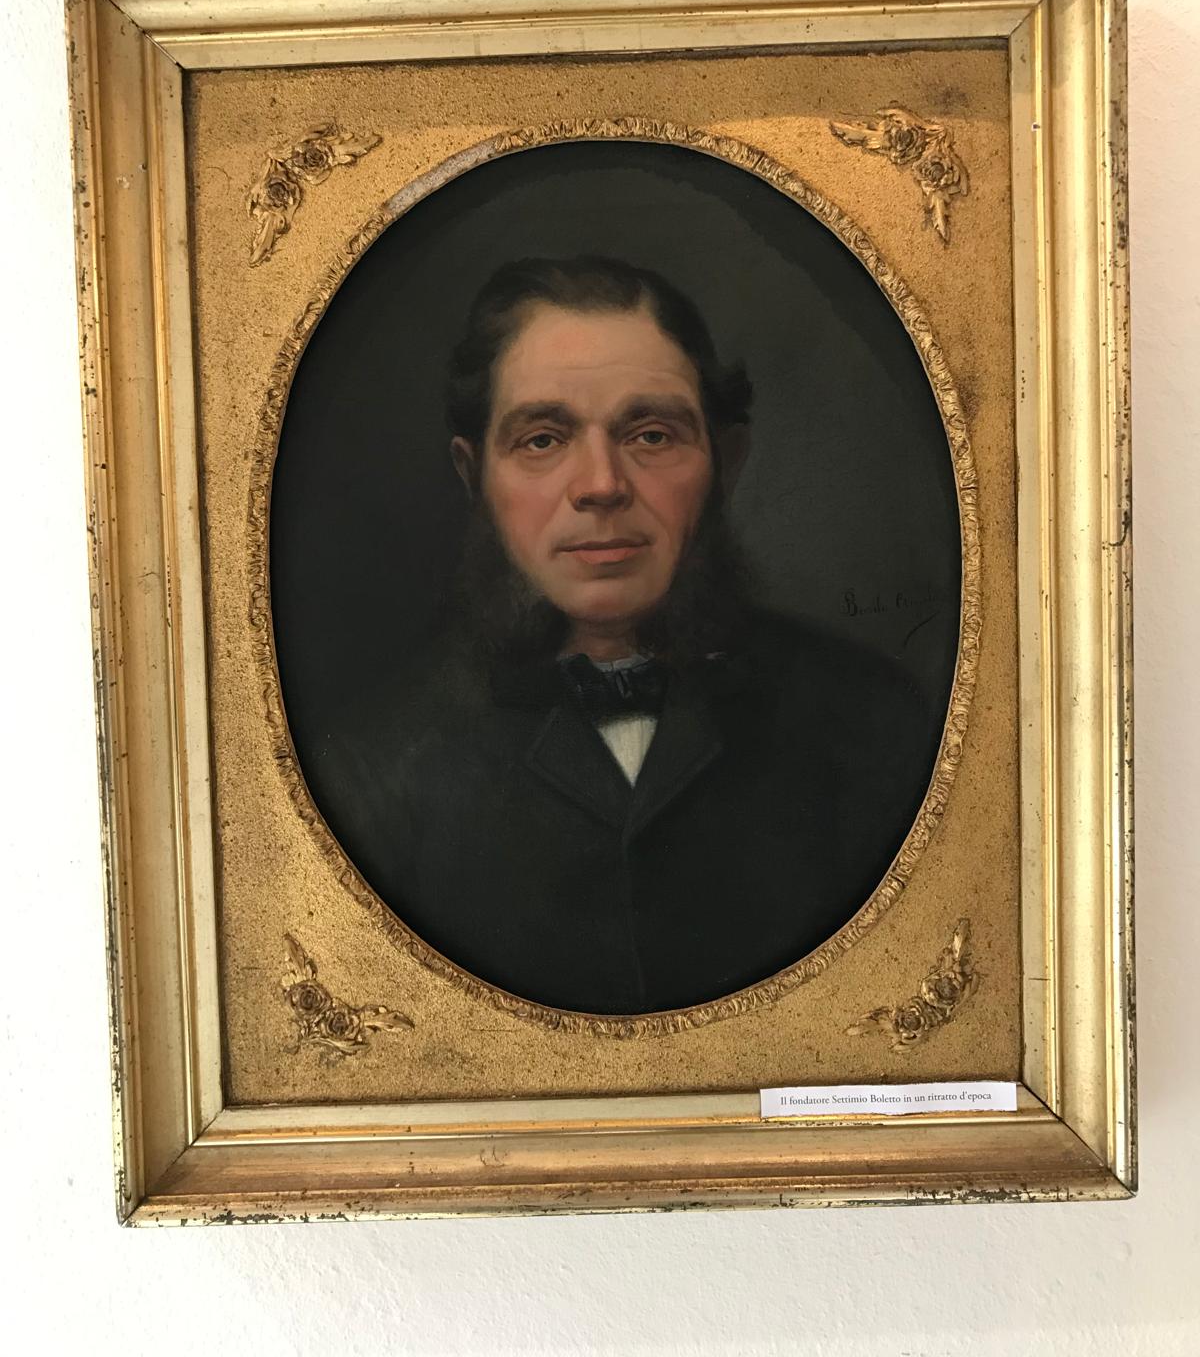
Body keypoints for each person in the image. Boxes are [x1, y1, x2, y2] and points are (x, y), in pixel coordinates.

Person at [309, 257, 940, 1015]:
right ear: (473, 475)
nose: (602, 484)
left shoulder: (875, 725)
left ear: (726, 462)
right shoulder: (371, 772)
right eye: (543, 440)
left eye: (651, 434)